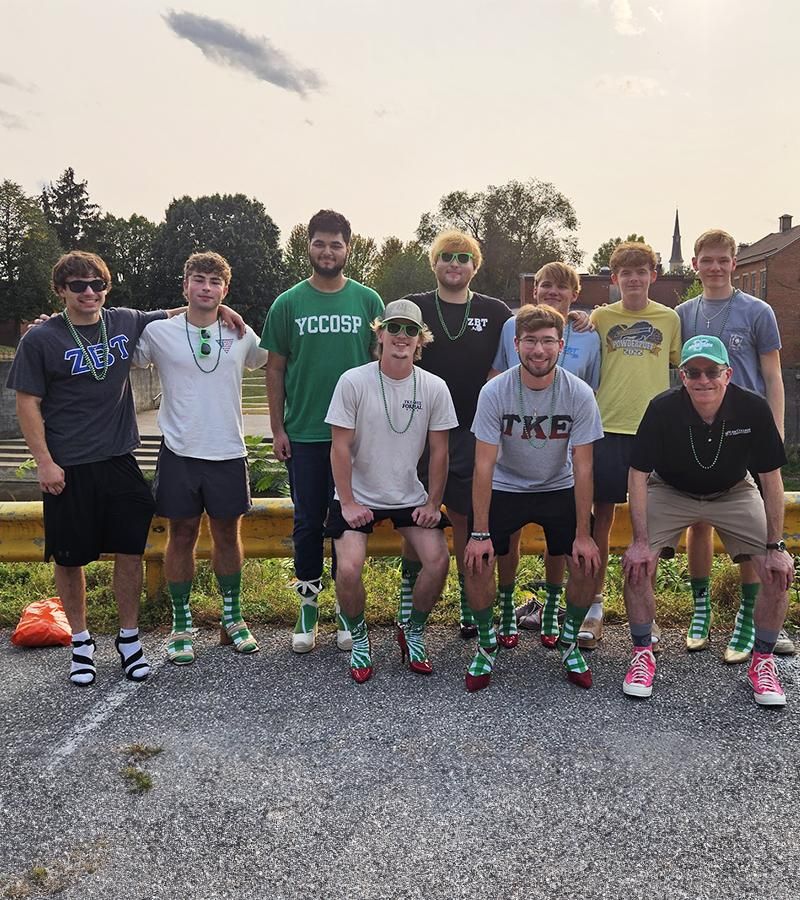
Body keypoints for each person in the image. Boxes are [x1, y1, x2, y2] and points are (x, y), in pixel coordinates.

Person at [8, 252, 168, 685]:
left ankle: (129, 640)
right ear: (61, 290)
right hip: (68, 465)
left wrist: (224, 308)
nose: (89, 292)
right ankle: (81, 644)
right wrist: (44, 462)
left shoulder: (123, 320)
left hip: (118, 459)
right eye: (78, 285)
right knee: (71, 557)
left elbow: (181, 310)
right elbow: (27, 403)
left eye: (97, 284)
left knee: (131, 549)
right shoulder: (40, 339)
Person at [621, 335, 792, 706]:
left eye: (711, 371)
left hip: (733, 490)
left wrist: (776, 546)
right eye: (693, 371)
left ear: (727, 373)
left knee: (776, 571)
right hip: (670, 490)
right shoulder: (662, 408)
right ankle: (641, 653)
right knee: (637, 565)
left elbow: (770, 477)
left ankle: (762, 662)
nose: (703, 380)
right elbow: (637, 473)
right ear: (682, 375)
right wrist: (638, 541)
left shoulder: (752, 408)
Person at [133, 252, 268, 664]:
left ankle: (233, 617)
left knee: (228, 535)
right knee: (183, 536)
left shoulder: (242, 333)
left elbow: (277, 361)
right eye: (199, 280)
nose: (206, 288)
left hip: (228, 450)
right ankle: (180, 623)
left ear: (225, 290)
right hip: (179, 452)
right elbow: (116, 343)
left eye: (214, 282)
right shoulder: (160, 332)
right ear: (185, 284)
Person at [463, 304, 603, 692]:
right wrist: (478, 533)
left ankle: (568, 639)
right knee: (475, 561)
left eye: (546, 341)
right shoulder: (495, 390)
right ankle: (487, 643)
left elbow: (585, 466)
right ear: (516, 344)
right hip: (507, 484)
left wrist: (583, 533)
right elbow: (484, 466)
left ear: (560, 345)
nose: (538, 350)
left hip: (558, 484)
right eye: (529, 341)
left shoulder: (578, 393)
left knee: (587, 562)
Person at [262, 210, 384, 654]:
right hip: (308, 432)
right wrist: (278, 428)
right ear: (308, 246)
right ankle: (308, 606)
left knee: (349, 521)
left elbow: (385, 363)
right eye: (319, 243)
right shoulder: (288, 303)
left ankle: (346, 610)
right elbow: (274, 369)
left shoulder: (369, 301)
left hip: (358, 436)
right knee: (308, 522)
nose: (327, 251)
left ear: (349, 248)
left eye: (336, 244)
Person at [324, 299, 458, 682]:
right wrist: (347, 502)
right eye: (394, 328)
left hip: (408, 495)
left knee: (438, 561)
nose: (402, 336)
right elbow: (340, 447)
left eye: (411, 330)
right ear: (380, 333)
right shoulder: (353, 380)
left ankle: (412, 630)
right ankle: (361, 638)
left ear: (421, 342)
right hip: (358, 495)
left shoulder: (434, 387)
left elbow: (439, 452)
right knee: (348, 568)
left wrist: (433, 503)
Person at [676, 229, 792, 660]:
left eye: (723, 259)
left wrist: (775, 432)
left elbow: (773, 375)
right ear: (695, 264)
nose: (716, 267)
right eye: (708, 260)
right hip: (699, 428)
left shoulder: (758, 311)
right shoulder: (684, 312)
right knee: (700, 519)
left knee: (751, 528)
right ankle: (700, 609)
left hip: (747, 430)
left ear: (735, 263)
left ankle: (750, 616)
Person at [398, 231, 512, 642]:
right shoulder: (416, 307)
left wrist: (578, 316)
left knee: (465, 515)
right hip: (417, 425)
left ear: (474, 266)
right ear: (434, 262)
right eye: (447, 256)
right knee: (416, 514)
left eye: (464, 257)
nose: (455, 263)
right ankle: (409, 598)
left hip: (471, 427)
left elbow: (531, 331)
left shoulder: (496, 311)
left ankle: (470, 600)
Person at [491, 262, 601, 644]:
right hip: (515, 443)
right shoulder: (512, 326)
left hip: (563, 450)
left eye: (561, 286)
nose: (552, 292)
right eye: (545, 285)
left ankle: (552, 609)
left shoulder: (588, 332)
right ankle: (506, 609)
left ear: (574, 293)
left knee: (560, 541)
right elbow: (498, 375)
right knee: (509, 539)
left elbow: (593, 387)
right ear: (533, 289)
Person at [582, 241, 681, 650]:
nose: (635, 279)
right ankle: (594, 605)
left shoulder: (670, 319)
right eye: (627, 273)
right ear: (614, 279)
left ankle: (646, 614)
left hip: (653, 432)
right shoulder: (600, 318)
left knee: (650, 527)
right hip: (607, 427)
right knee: (600, 519)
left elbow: (676, 369)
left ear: (653, 276)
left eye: (642, 272)